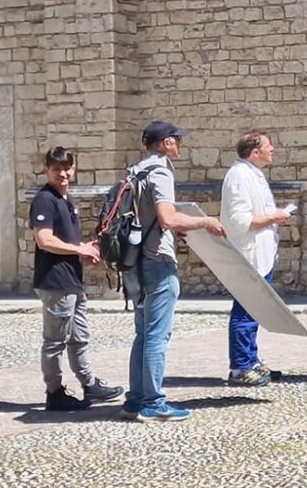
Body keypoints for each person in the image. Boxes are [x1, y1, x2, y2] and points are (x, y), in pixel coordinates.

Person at [121, 120, 226, 422]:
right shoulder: (161, 171)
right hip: (158, 262)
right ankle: (153, 402)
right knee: (157, 335)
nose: (180, 144)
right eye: (177, 139)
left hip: (136, 261)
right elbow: (167, 218)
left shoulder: (137, 170)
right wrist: (205, 222)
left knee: (142, 334)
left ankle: (135, 399)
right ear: (166, 142)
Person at [30, 146, 124, 411]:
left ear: (74, 169)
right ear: (46, 170)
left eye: (67, 168)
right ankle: (55, 392)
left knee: (79, 336)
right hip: (55, 281)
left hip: (71, 280)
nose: (63, 173)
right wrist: (78, 249)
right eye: (57, 169)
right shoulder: (44, 199)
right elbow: (44, 240)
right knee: (55, 341)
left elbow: (63, 240)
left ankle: (89, 384)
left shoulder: (66, 199)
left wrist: (85, 247)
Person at [220, 130, 293, 386]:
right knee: (246, 312)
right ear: (255, 151)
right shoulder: (239, 176)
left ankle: (251, 360)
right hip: (248, 256)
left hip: (261, 255)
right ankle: (240, 368)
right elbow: (239, 221)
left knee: (254, 311)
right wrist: (275, 217)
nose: (272, 149)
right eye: (268, 146)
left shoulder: (253, 174)